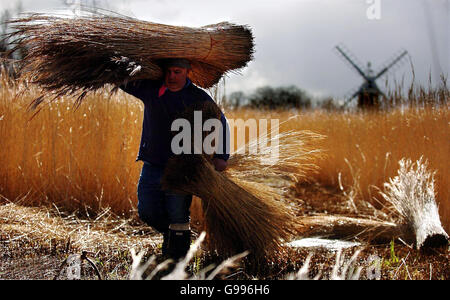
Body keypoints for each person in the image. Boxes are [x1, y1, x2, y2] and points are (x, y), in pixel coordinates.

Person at [120, 58, 230, 261]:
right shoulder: (152, 89)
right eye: (169, 71)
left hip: (182, 167)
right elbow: (123, 81)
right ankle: (174, 238)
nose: (171, 76)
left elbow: (220, 123)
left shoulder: (197, 97)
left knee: (178, 214)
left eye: (177, 72)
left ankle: (178, 261)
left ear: (187, 72)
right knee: (147, 211)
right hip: (152, 164)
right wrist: (111, 65)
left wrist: (222, 157)